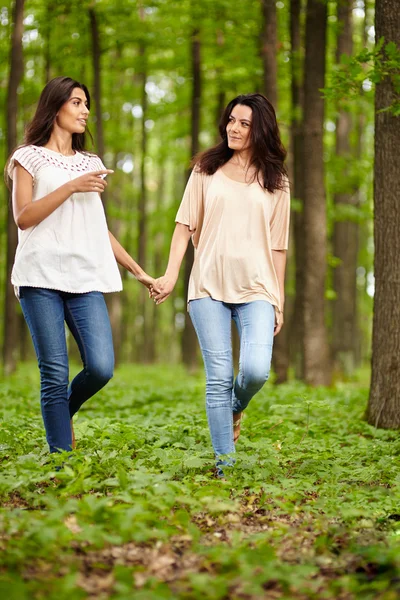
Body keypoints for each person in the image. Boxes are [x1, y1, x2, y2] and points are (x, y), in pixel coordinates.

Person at [6, 76, 156, 455]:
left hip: (84, 277)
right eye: (76, 102)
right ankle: (62, 464)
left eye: (86, 103)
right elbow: (23, 217)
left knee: (102, 367)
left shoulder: (92, 163)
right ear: (55, 107)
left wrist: (137, 271)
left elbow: (97, 228)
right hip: (39, 275)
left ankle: (61, 414)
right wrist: (70, 186)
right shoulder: (28, 157)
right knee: (54, 373)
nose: (84, 110)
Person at [151, 93, 290, 476]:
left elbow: (279, 247)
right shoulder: (205, 170)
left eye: (244, 123)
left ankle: (235, 407)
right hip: (208, 286)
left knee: (257, 370)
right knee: (217, 377)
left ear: (260, 129)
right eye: (232, 120)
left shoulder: (276, 182)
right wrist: (172, 273)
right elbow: (184, 226)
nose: (234, 127)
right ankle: (224, 466)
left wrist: (277, 300)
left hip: (258, 289)